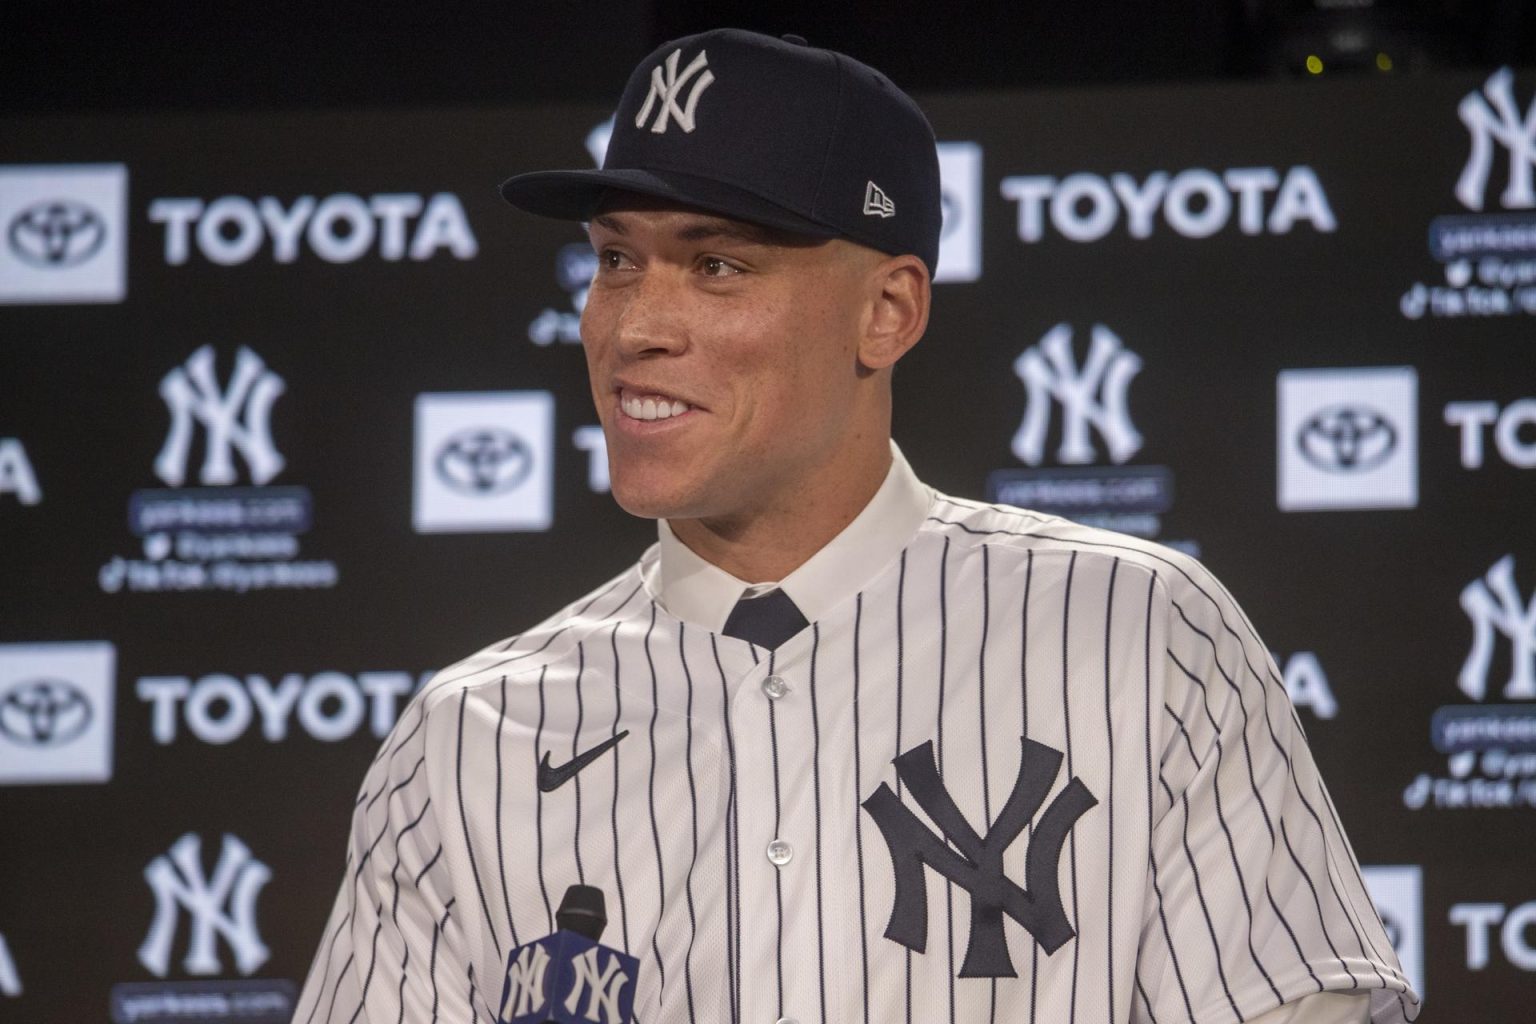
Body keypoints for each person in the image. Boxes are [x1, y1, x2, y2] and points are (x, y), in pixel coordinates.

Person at [296, 28, 1419, 1024]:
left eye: (717, 264)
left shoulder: (1142, 639)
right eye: (615, 260)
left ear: (888, 312)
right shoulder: (464, 740)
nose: (633, 325)